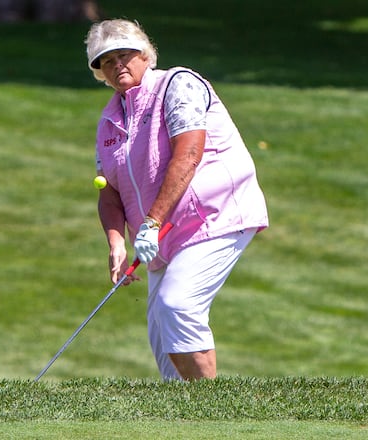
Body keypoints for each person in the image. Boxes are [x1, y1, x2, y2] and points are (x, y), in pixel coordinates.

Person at [84, 19, 268, 381]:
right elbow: (109, 192)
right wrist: (117, 241)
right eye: (106, 61)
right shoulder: (109, 121)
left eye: (125, 55)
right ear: (100, 73)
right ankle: (184, 424)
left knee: (178, 306)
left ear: (146, 56)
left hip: (213, 215)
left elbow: (188, 154)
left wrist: (150, 224)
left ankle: (210, 416)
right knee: (162, 339)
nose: (117, 65)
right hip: (161, 238)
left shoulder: (177, 84)